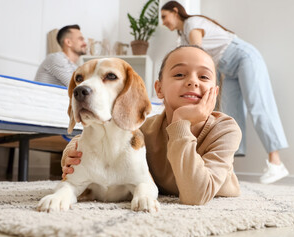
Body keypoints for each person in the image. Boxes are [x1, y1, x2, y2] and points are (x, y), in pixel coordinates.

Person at [62, 45, 242, 205]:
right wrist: (70, 151)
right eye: (179, 74)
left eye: (203, 77)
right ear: (159, 89)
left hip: (213, 193)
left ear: (215, 92)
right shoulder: (147, 128)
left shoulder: (225, 129)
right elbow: (111, 134)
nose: (192, 82)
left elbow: (196, 196)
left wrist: (180, 122)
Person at [160, 1, 289, 184]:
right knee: (229, 115)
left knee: (257, 104)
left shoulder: (192, 23)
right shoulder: (182, 37)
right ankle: (228, 167)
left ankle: (276, 162)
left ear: (175, 11)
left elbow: (197, 54)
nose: (163, 22)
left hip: (244, 57)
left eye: (164, 16)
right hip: (226, 70)